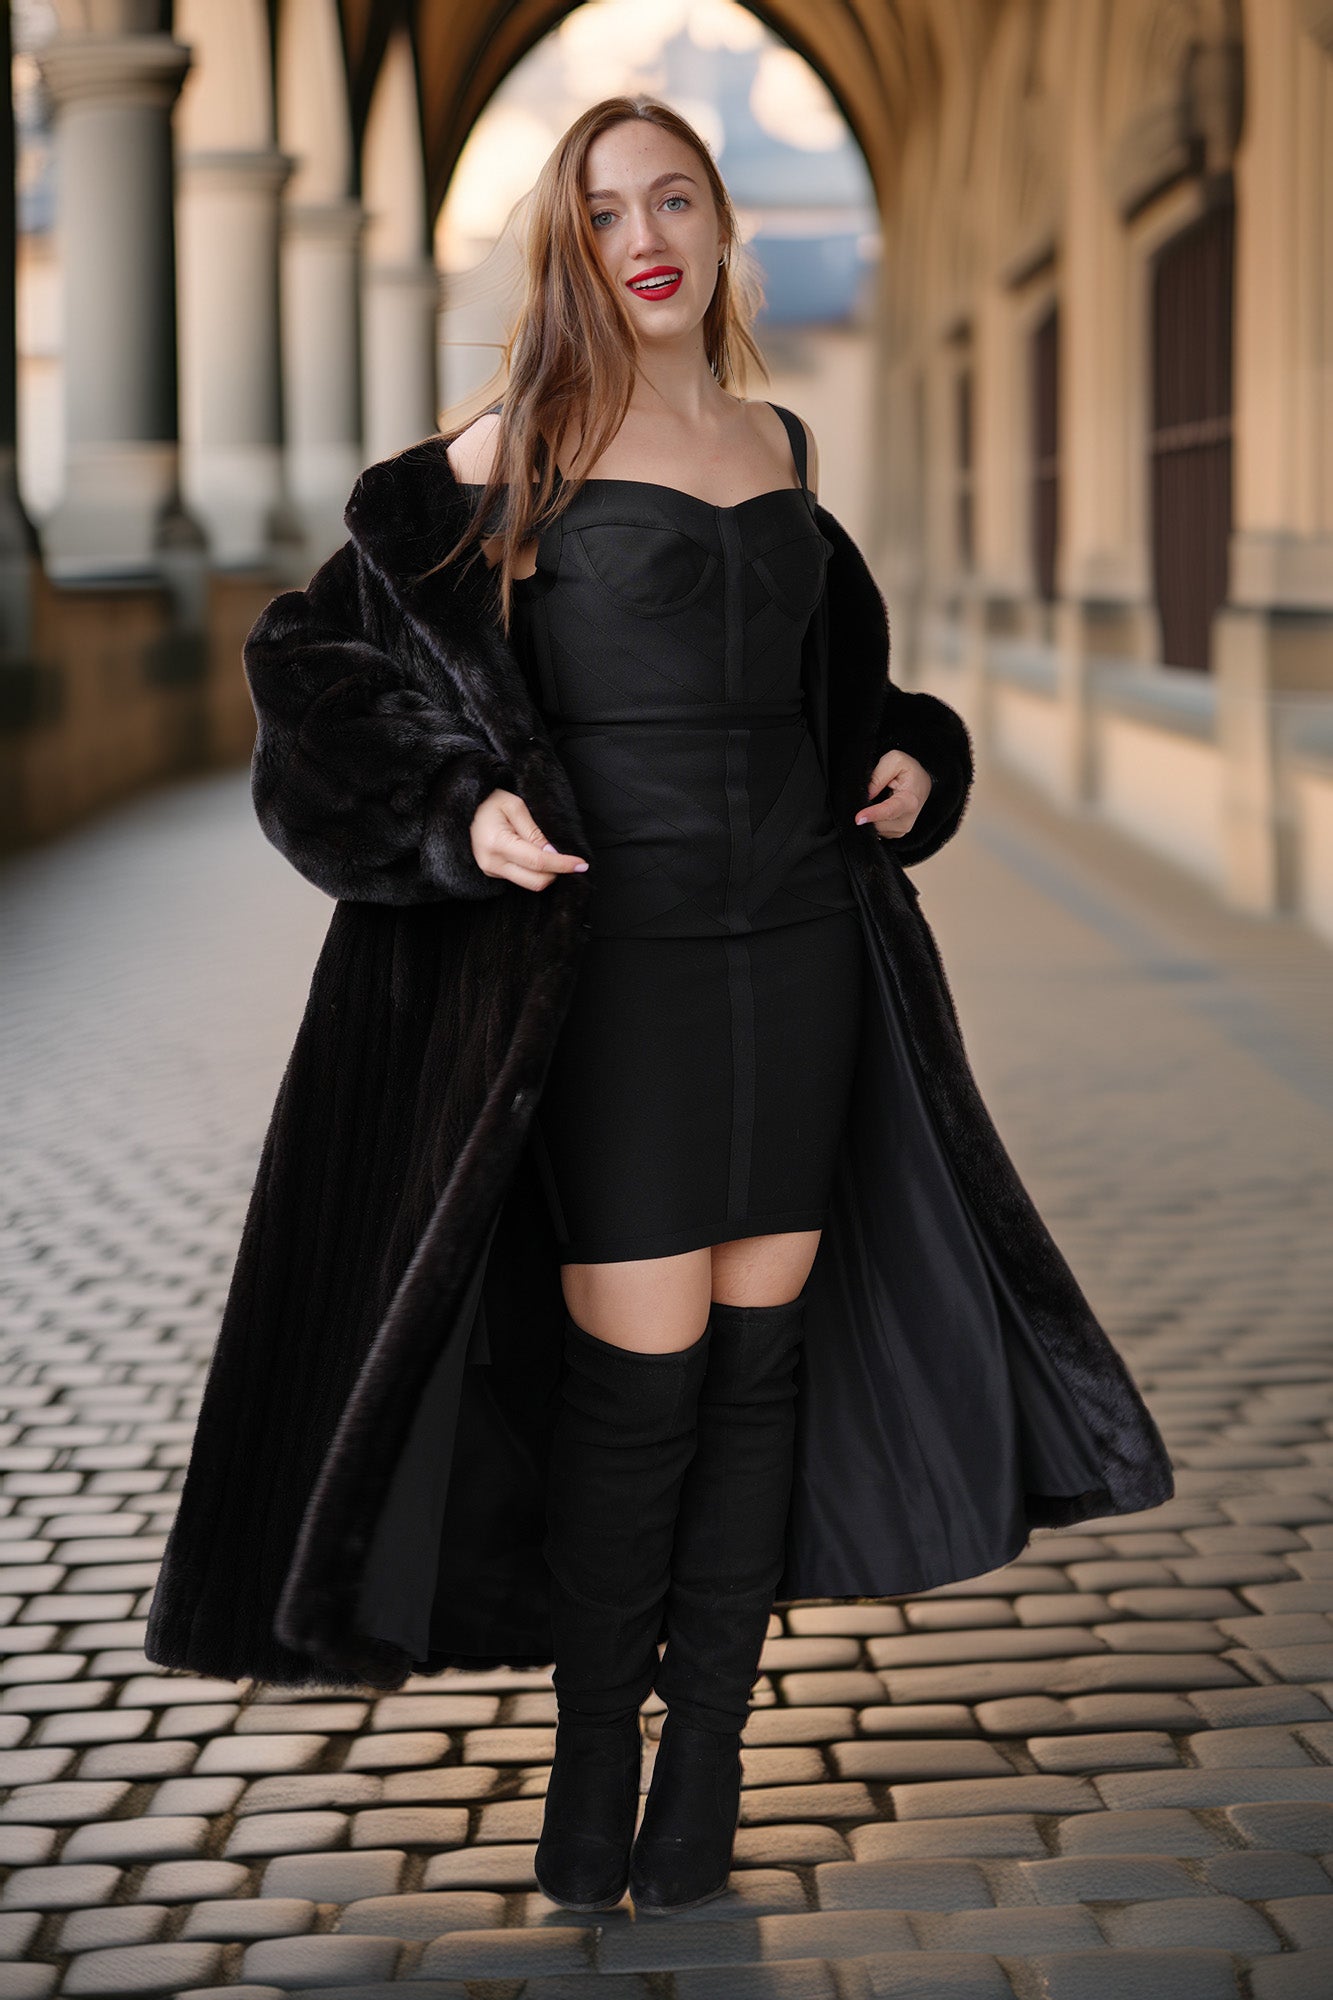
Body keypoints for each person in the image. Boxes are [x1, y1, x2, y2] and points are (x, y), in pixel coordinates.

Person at [144, 95, 1173, 1923]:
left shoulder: (781, 443)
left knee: (753, 1384)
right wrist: (457, 815)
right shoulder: (504, 450)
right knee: (639, 1389)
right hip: (600, 983)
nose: (647, 236)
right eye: (609, 208)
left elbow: (854, 701)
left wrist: (913, 766)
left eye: (675, 198)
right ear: (572, 242)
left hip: (799, 961)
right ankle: (591, 1777)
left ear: (716, 225)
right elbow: (309, 675)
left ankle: (703, 1783)